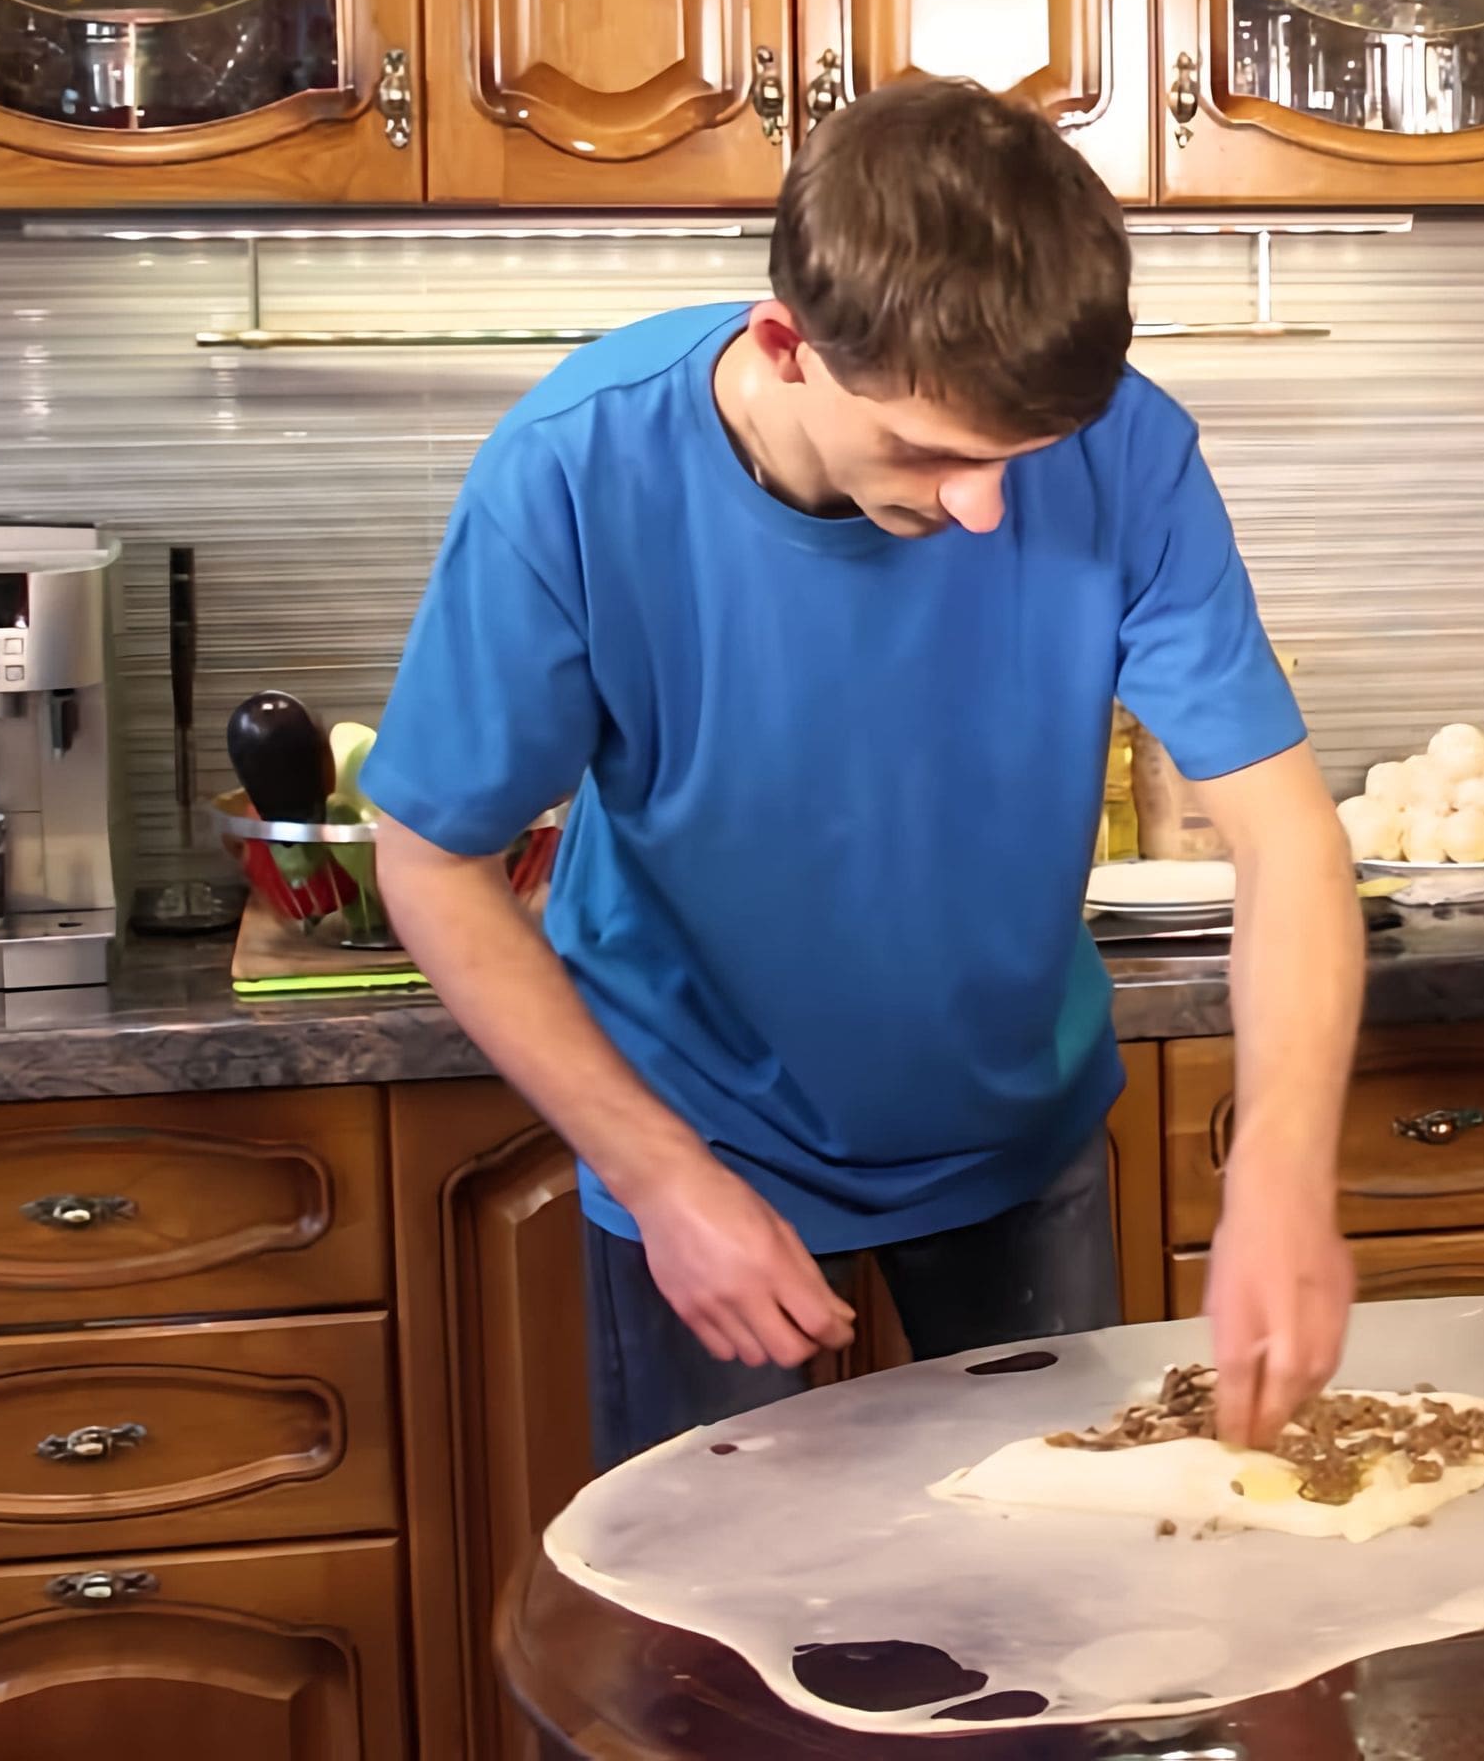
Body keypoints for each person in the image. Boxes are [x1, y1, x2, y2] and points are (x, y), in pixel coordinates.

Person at [373, 80, 1360, 1467]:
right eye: (930, 452)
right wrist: (661, 1178)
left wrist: (1281, 1174)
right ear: (786, 345)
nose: (984, 508)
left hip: (1016, 1134)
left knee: (1055, 1585)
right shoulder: (576, 469)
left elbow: (1289, 841)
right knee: (724, 1594)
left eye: (1020, 460)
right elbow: (432, 859)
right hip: (704, 1141)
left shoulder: (1131, 450)